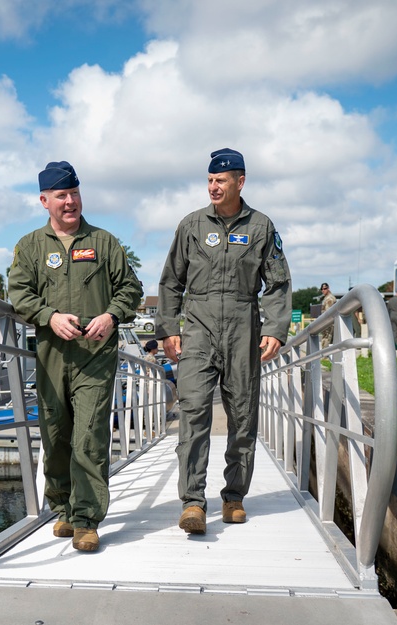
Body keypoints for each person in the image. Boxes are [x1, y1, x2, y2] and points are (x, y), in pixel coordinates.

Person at [7, 160, 143, 552]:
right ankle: (63, 507)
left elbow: (130, 289)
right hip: (51, 356)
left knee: (89, 437)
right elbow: (19, 293)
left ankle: (87, 519)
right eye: (62, 196)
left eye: (75, 194)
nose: (70, 202)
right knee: (55, 435)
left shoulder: (104, 243)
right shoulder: (30, 247)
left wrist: (111, 315)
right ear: (44, 201)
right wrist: (48, 316)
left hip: (95, 355)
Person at [156, 147, 292, 535]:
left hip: (243, 325)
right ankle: (193, 502)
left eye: (221, 181)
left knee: (243, 414)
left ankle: (234, 496)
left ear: (240, 182)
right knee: (194, 410)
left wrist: (275, 328)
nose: (214, 187)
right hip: (197, 327)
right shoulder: (192, 225)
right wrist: (167, 329)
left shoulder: (262, 227)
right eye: (210, 181)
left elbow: (278, 282)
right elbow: (170, 281)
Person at [319, 282, 337, 349]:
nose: (323, 290)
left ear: (328, 288)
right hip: (326, 322)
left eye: (325, 289)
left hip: (328, 322)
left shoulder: (330, 298)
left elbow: (328, 313)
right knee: (326, 338)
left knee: (327, 339)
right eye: (322, 289)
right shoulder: (326, 298)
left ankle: (325, 356)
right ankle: (325, 355)